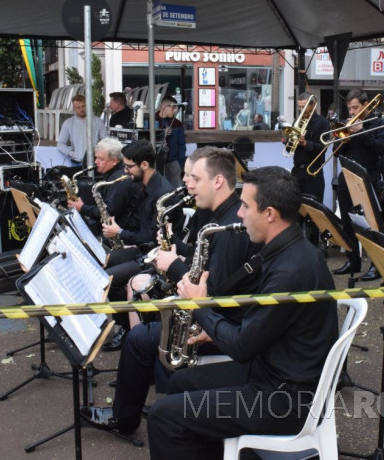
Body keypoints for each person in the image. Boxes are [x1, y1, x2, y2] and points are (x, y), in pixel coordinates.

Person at [146, 166, 339, 459]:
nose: (239, 213)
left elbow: (242, 347)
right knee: (180, 382)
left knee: (162, 415)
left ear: (270, 213)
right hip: (274, 374)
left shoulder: (291, 270)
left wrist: (198, 306)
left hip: (284, 400)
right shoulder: (289, 251)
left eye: (246, 206)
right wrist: (213, 329)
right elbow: (265, 326)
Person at [82, 147, 261, 434]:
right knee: (147, 321)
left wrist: (174, 265)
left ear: (217, 181)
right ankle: (156, 391)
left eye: (194, 177)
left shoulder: (230, 227)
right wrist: (179, 247)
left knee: (140, 336)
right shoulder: (216, 213)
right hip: (219, 316)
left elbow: (211, 291)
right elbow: (205, 263)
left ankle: (124, 418)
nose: (187, 183)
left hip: (223, 324)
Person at [99, 139, 181, 351]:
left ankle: (127, 330)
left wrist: (121, 233)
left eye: (128, 166)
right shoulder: (144, 185)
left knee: (110, 280)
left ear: (144, 165)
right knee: (103, 266)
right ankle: (125, 326)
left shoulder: (161, 193)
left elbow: (151, 235)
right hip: (142, 248)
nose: (125, 171)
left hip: (154, 254)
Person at [332, 89, 384, 281]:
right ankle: (353, 260)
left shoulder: (379, 123)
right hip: (346, 176)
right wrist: (342, 138)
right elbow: (337, 153)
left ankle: (377, 265)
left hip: (368, 177)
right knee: (348, 222)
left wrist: (361, 132)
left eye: (355, 108)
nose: (352, 112)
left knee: (371, 224)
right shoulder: (348, 124)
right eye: (349, 108)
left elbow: (379, 149)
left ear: (365, 105)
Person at [67, 137, 136, 242]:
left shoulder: (118, 180)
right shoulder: (113, 175)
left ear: (114, 161)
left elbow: (108, 213)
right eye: (96, 158)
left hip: (119, 234)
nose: (96, 162)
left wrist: (83, 208)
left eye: (101, 159)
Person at [286, 92, 330, 245]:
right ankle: (294, 246)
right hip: (297, 170)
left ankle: (312, 248)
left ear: (313, 105)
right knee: (295, 211)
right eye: (299, 107)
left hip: (314, 172)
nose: (301, 110)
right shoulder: (296, 122)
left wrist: (306, 144)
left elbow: (323, 148)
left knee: (313, 214)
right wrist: (287, 141)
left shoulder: (323, 123)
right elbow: (289, 148)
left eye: (304, 106)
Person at [57, 94, 107, 165]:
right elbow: (60, 144)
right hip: (76, 162)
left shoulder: (98, 121)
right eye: (78, 107)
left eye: (83, 106)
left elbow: (106, 140)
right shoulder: (68, 123)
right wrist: (71, 153)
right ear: (74, 108)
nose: (81, 109)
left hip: (95, 162)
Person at [156, 95, 186, 187]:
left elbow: (182, 145)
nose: (175, 111)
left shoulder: (177, 123)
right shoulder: (152, 120)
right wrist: (162, 134)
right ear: (164, 107)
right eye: (173, 108)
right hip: (156, 161)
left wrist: (179, 164)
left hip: (172, 161)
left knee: (176, 190)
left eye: (176, 108)